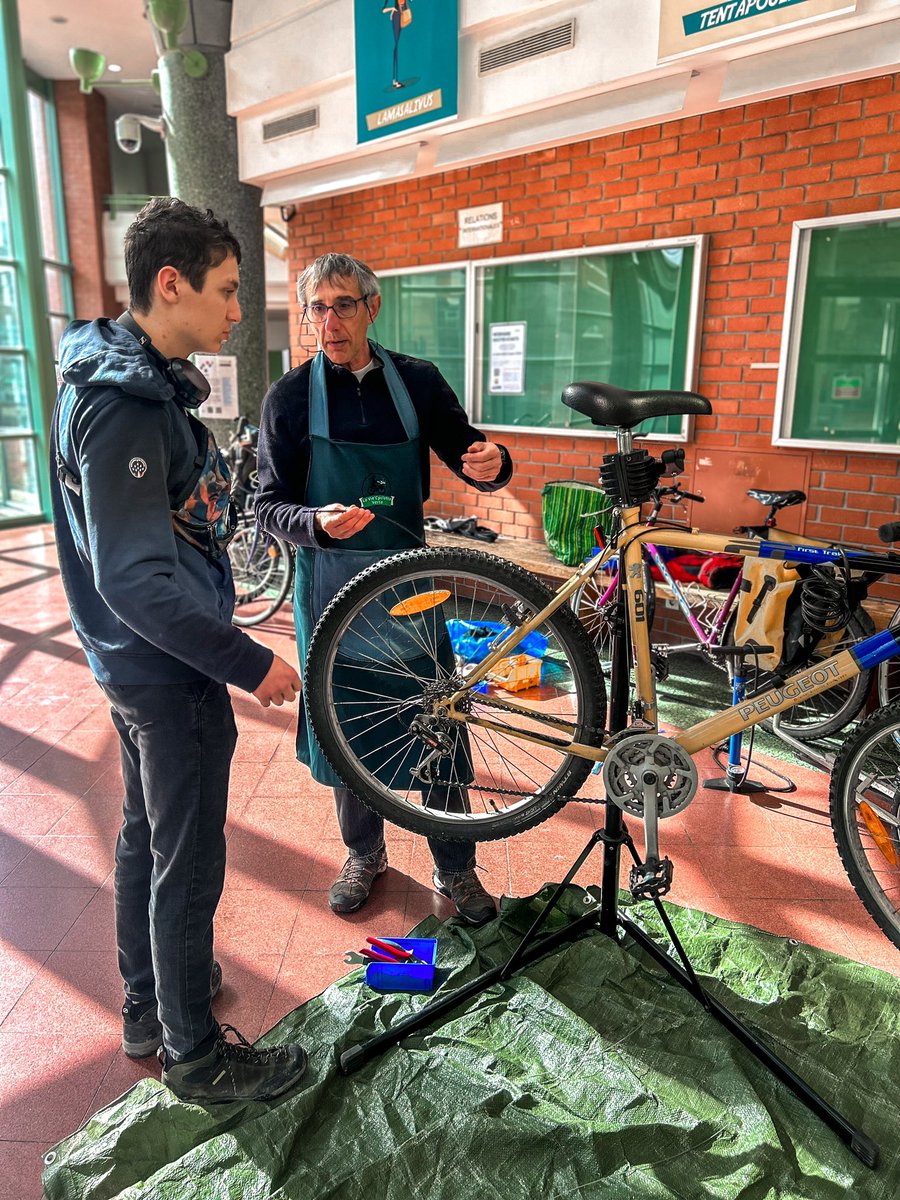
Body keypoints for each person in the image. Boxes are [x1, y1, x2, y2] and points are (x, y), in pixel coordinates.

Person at [50, 197, 308, 1105]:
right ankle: (196, 1057)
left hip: (130, 666)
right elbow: (133, 579)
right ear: (172, 284)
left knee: (144, 837)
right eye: (229, 290)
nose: (240, 311)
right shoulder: (123, 407)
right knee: (187, 862)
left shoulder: (111, 376)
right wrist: (248, 661)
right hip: (167, 672)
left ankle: (150, 1005)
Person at [255, 252, 513, 926]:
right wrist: (313, 522)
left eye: (343, 304)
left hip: (410, 592)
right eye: (318, 307)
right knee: (349, 732)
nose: (330, 320)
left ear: (373, 307)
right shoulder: (288, 398)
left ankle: (455, 868)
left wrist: (494, 463)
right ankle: (364, 854)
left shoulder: (418, 382)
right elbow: (268, 506)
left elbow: (471, 453)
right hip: (332, 592)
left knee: (438, 726)